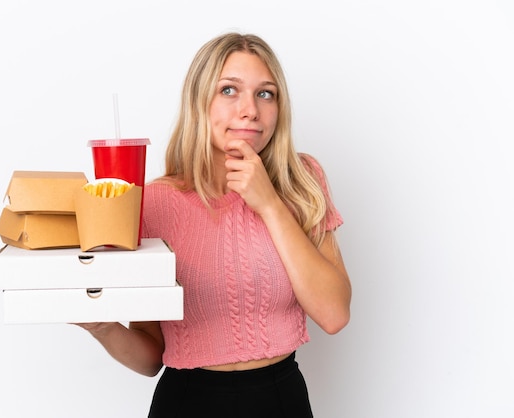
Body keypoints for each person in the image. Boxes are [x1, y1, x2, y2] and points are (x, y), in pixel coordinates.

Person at [76, 32, 352, 417]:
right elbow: (150, 356)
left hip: (281, 399)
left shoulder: (301, 179)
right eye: (229, 90)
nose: (250, 110)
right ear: (198, 102)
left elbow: (334, 314)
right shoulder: (153, 203)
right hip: (188, 401)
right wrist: (102, 327)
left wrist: (270, 204)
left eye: (265, 93)